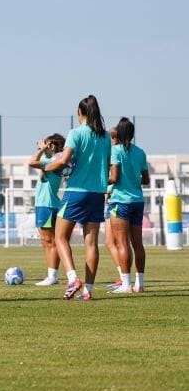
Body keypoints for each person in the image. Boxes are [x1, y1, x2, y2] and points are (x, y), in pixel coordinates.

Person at [44, 95, 112, 301]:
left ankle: (73, 278)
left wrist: (48, 167)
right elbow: (106, 164)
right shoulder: (106, 137)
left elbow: (64, 160)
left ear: (79, 112)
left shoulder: (75, 133)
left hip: (76, 192)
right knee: (91, 244)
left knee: (60, 237)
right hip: (97, 194)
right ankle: (88, 290)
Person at [107, 118, 149, 294]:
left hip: (120, 201)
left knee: (122, 243)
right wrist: (133, 180)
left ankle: (126, 285)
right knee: (137, 244)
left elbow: (114, 178)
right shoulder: (140, 152)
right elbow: (146, 180)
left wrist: (101, 180)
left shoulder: (115, 151)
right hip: (137, 201)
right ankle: (139, 284)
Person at [27, 134, 65, 286]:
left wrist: (40, 149)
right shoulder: (52, 161)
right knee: (48, 241)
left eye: (47, 144)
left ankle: (52, 276)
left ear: (53, 147)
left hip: (47, 205)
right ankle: (52, 275)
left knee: (50, 242)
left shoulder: (52, 161)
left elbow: (31, 162)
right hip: (48, 204)